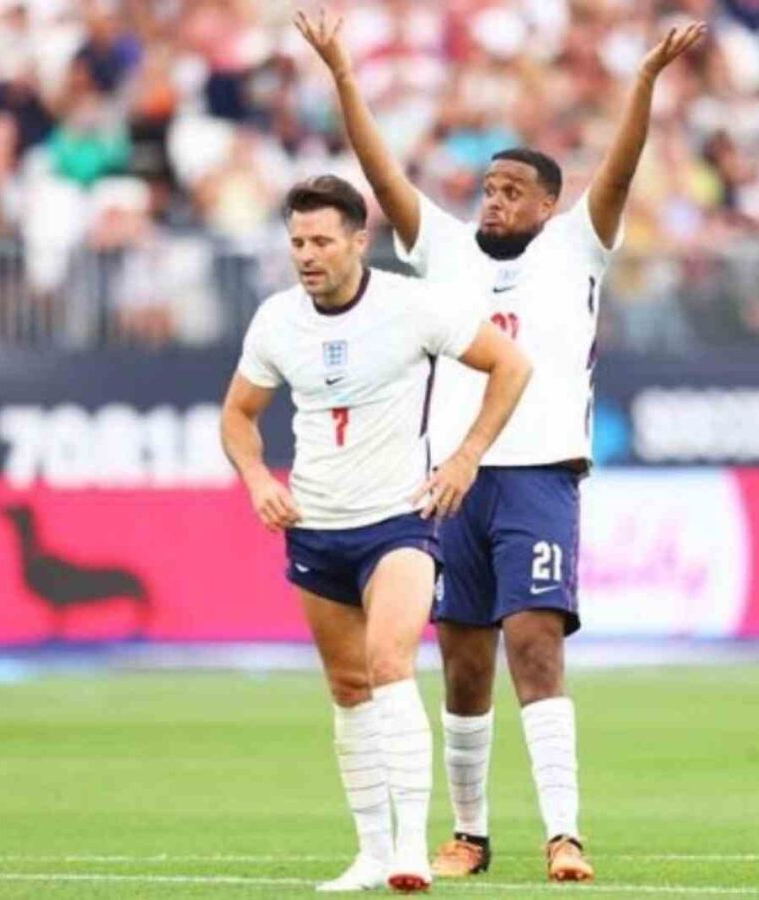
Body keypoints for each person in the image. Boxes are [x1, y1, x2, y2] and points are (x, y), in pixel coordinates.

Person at [296, 8, 706, 883]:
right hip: (449, 480)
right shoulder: (442, 250)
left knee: (535, 643)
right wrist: (342, 77)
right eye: (488, 187)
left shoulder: (576, 248)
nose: (494, 198)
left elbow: (623, 170)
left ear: (549, 204)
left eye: (513, 190)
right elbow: (380, 177)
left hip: (541, 475)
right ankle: (471, 835)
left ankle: (565, 831)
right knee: (465, 659)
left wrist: (641, 86)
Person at [220, 174, 531, 893]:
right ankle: (367, 852)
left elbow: (510, 365)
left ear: (360, 240)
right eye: (297, 241)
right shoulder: (275, 321)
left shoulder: (410, 305)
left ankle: (411, 850)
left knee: (391, 664)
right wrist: (261, 481)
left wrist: (465, 456)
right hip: (317, 524)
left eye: (322, 239)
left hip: (399, 520)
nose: (307, 254)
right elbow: (237, 416)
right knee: (347, 684)